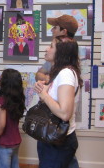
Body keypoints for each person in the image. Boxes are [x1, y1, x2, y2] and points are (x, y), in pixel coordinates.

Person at [35, 14, 80, 168]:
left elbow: (65, 113)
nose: (47, 48)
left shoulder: (66, 73)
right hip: (57, 138)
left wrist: (44, 94)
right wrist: (47, 88)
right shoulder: (61, 71)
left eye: (51, 46)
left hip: (58, 140)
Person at [0, 68, 26, 168]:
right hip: (16, 141)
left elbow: (1, 125)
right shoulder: (18, 99)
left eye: (1, 78)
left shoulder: (2, 100)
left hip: (4, 143)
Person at [35, 14, 78, 83]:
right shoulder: (53, 56)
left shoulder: (67, 72)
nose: (52, 30)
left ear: (64, 32)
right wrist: (46, 78)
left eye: (55, 27)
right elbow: (39, 74)